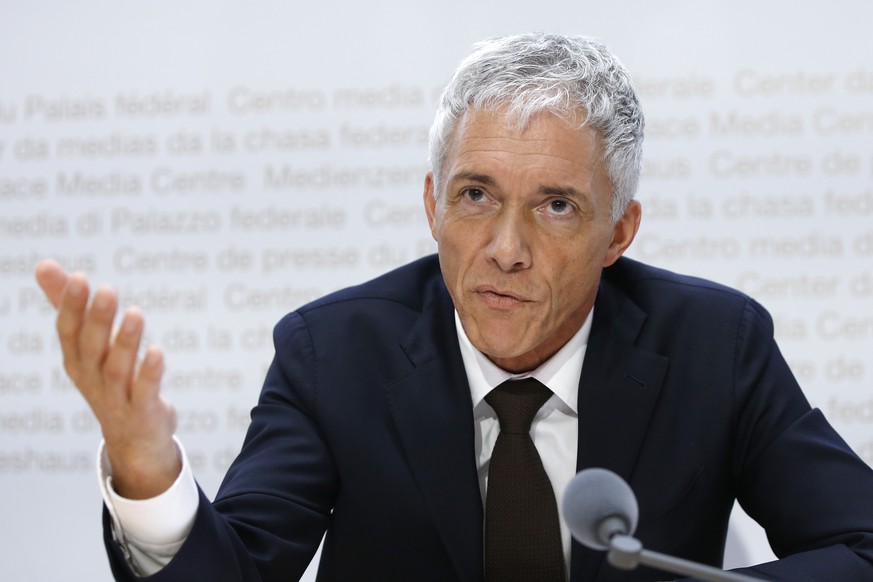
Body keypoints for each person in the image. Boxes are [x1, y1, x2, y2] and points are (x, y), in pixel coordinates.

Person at [36, 32, 873, 581]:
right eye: (476, 195)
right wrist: (146, 467)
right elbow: (241, 571)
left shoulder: (713, 347)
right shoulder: (333, 354)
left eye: (555, 206)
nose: (505, 247)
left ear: (619, 232)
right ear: (431, 203)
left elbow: (858, 545)